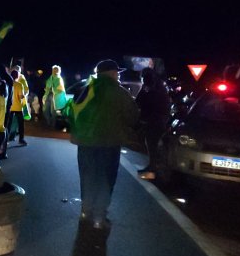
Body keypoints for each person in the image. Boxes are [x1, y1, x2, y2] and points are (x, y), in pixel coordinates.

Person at [69, 59, 139, 230]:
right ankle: (100, 217)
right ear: (112, 73)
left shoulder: (86, 89)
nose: (118, 75)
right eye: (117, 73)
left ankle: (85, 211)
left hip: (85, 143)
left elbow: (72, 110)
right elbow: (133, 117)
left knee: (87, 176)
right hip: (109, 143)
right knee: (105, 178)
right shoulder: (120, 92)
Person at [135, 67, 171, 179]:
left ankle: (155, 168)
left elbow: (139, 101)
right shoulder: (160, 87)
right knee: (152, 144)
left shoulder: (151, 88)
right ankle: (154, 167)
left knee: (152, 144)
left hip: (154, 120)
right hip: (159, 119)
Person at [8, 70, 28, 146]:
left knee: (8, 124)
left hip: (9, 107)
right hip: (18, 107)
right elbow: (20, 96)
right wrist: (24, 96)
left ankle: (5, 140)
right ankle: (21, 139)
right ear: (17, 76)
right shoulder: (19, 85)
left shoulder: (8, 83)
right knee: (21, 124)